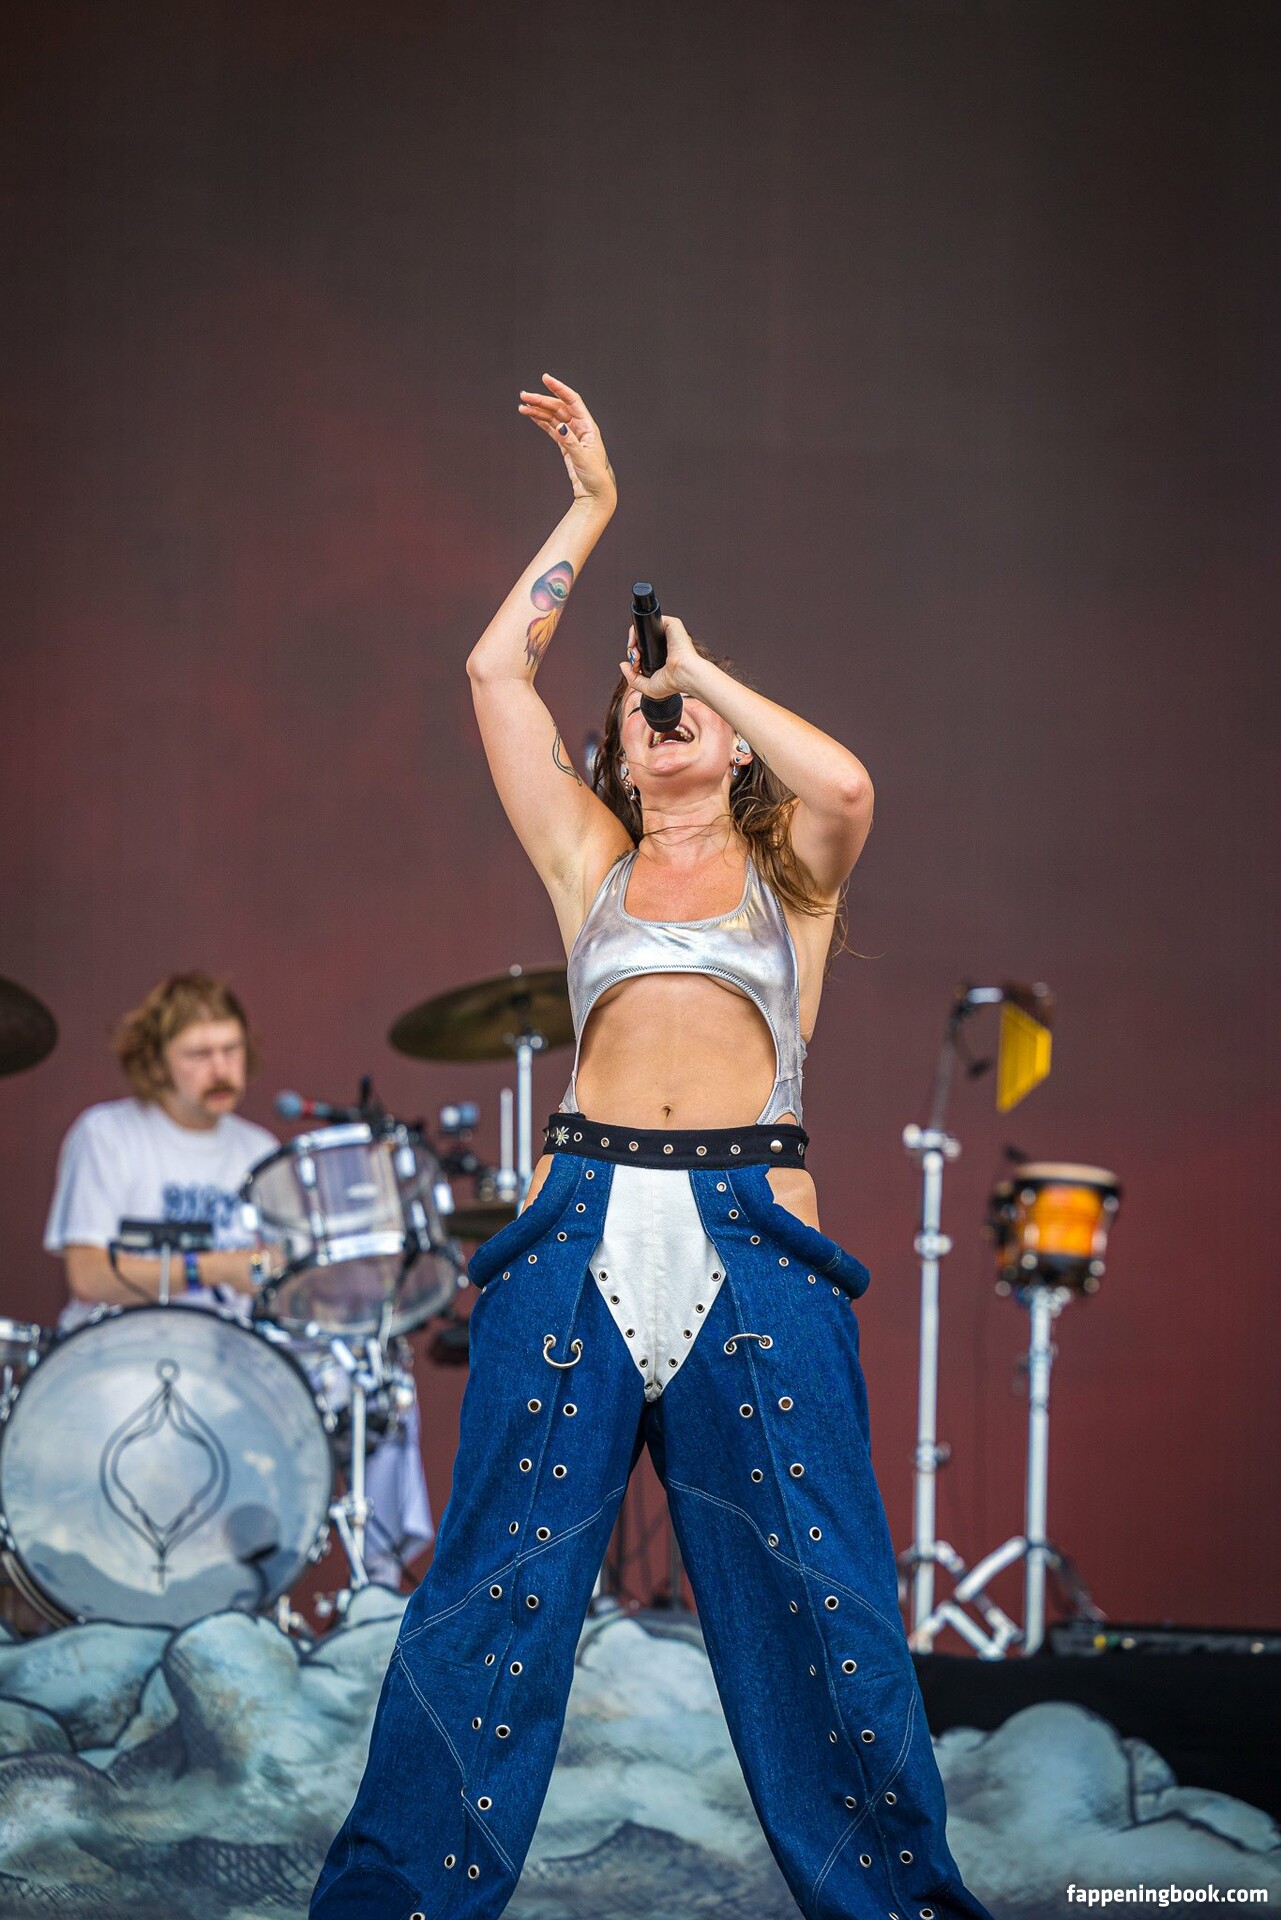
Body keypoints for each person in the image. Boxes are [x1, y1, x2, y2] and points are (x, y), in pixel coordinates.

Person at [310, 379, 991, 1920]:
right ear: (615, 752)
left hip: (754, 1234)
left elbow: (846, 783)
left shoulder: (789, 874)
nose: (663, 716)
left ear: (730, 743)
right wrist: (591, 507)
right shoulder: (593, 864)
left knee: (824, 1608)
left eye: (685, 710)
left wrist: (697, 668)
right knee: (490, 1595)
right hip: (581, 1222)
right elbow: (493, 670)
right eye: (639, 707)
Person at [44, 970, 433, 1588]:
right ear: (156, 1062)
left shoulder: (256, 1150)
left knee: (374, 1382)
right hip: (117, 1361)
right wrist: (213, 1267)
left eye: (230, 1050)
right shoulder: (108, 1134)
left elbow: (282, 1287)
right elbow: (87, 1274)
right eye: (198, 1054)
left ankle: (379, 1586)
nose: (221, 1068)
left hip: (229, 1362)